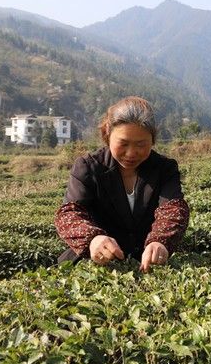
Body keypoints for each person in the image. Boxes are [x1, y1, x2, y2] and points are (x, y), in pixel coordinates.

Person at [55, 96, 190, 272]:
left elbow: (172, 209)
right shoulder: (88, 167)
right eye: (123, 143)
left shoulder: (164, 169)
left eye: (141, 144)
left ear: (153, 139)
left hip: (145, 264)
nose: (131, 153)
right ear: (108, 135)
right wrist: (93, 239)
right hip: (95, 266)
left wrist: (160, 241)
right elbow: (69, 214)